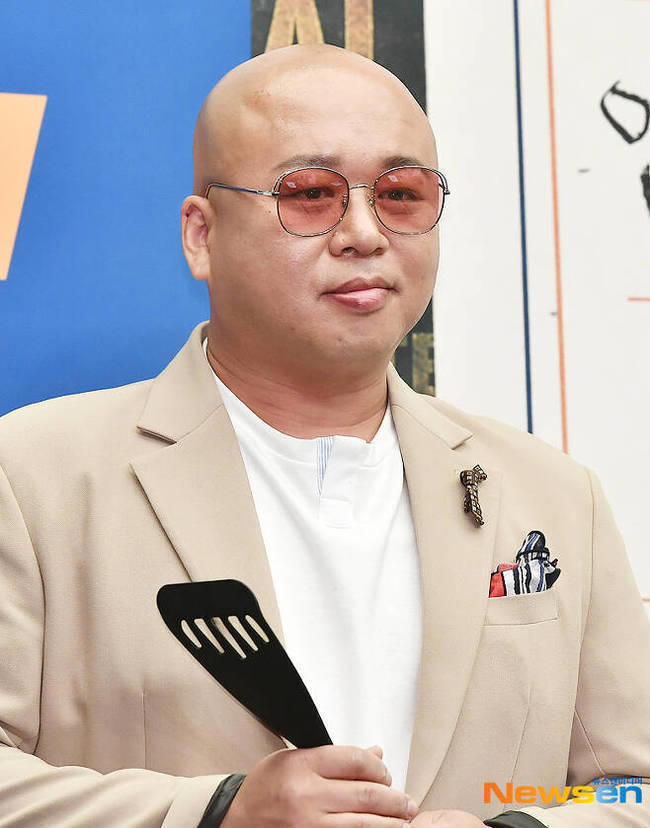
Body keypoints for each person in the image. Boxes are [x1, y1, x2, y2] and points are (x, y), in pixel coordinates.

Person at [0, 43, 648, 828]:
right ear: (201, 235)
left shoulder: (553, 493)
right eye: (310, 194)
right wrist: (217, 812)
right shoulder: (32, 477)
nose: (365, 233)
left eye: (401, 194)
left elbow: (632, 786)